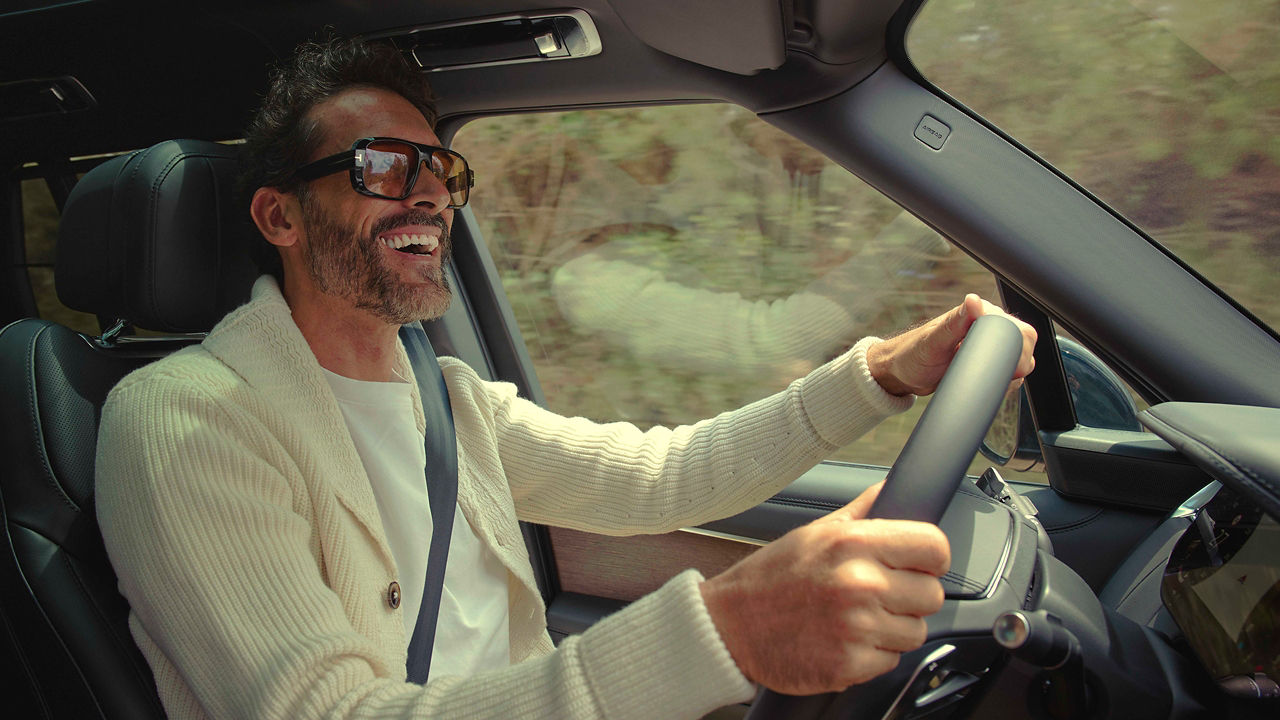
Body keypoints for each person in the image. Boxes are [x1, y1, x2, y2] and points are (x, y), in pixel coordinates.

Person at [95, 37, 1037, 719]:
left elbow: (669, 476)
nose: (427, 190)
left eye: (442, 168)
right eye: (384, 166)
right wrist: (725, 632)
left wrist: (879, 375)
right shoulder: (182, 424)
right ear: (281, 218)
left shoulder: (452, 400)